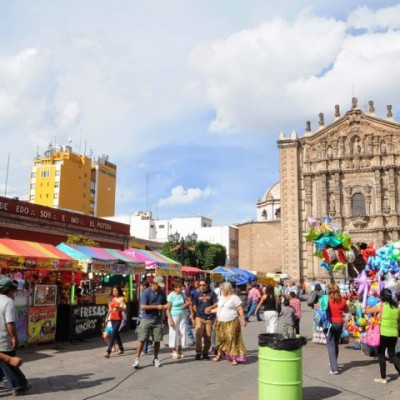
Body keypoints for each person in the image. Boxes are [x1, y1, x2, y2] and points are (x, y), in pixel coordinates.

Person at [0, 278, 30, 396]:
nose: (14, 292)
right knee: (9, 362)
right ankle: (19, 385)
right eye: (13, 290)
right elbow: (10, 323)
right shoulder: (8, 302)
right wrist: (14, 337)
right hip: (4, 337)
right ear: (9, 290)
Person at [366, 288, 400, 384]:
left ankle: (383, 378)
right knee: (392, 355)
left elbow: (367, 311)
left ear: (382, 297)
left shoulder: (380, 305)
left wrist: (368, 303)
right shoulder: (396, 307)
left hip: (383, 333)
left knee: (381, 354)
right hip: (394, 334)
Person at [133, 276, 167, 369]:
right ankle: (137, 358)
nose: (160, 288)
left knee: (157, 340)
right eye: (159, 286)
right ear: (154, 283)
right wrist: (157, 307)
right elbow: (143, 306)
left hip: (157, 320)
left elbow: (165, 303)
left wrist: (166, 306)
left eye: (161, 286)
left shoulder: (161, 293)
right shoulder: (146, 292)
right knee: (142, 339)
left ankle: (156, 358)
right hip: (146, 319)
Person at [209, 282, 247, 365]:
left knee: (232, 338)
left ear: (227, 289)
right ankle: (219, 354)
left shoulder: (235, 298)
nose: (221, 290)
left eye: (222, 289)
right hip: (220, 322)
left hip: (232, 321)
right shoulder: (222, 297)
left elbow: (240, 309)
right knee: (220, 339)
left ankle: (235, 358)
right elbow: (219, 308)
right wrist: (211, 311)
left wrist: (243, 320)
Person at [324, 283, 349, 374]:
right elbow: (347, 310)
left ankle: (334, 368)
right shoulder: (342, 300)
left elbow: (319, 308)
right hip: (339, 324)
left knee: (331, 345)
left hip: (329, 324)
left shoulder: (327, 300)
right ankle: (333, 362)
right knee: (335, 343)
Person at [192, 279, 217, 360]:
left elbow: (216, 304)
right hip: (199, 317)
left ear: (207, 285)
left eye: (203, 285)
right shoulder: (197, 294)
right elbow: (194, 305)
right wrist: (194, 315)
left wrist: (210, 307)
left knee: (208, 336)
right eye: (200, 285)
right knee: (198, 334)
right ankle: (198, 352)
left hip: (209, 318)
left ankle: (205, 352)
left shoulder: (212, 293)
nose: (201, 287)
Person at [166, 279, 190, 359]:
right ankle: (173, 350)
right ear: (175, 288)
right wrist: (170, 319)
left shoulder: (182, 294)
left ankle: (180, 350)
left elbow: (188, 302)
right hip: (173, 315)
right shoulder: (171, 296)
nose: (181, 288)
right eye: (179, 287)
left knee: (182, 331)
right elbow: (168, 309)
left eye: (181, 286)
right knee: (174, 332)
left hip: (182, 314)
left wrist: (185, 305)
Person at [103, 286, 126, 358]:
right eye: (113, 291)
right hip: (112, 318)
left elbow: (123, 307)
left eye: (116, 290)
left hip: (119, 318)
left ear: (119, 291)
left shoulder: (122, 298)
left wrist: (119, 308)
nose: (114, 292)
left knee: (113, 333)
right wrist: (107, 317)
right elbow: (110, 309)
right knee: (116, 333)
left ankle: (108, 351)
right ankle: (121, 348)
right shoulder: (112, 299)